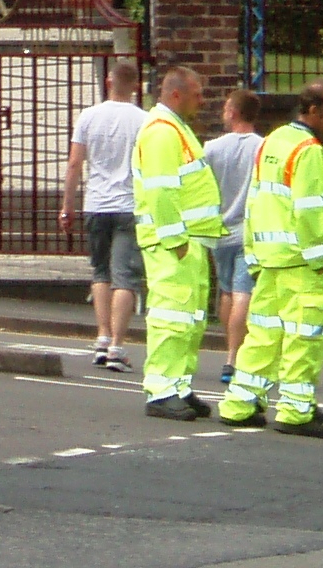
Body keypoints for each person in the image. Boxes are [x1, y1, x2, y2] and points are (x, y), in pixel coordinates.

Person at [221, 77, 323, 437]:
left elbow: (256, 200)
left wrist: (252, 254)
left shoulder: (273, 142)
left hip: (269, 262)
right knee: (303, 340)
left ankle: (240, 404)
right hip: (301, 264)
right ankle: (296, 411)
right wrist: (322, 263)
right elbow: (309, 211)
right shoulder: (309, 150)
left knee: (263, 337)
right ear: (312, 111)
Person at [129, 63, 224, 419]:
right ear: (175, 94)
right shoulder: (162, 132)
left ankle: (179, 386)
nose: (203, 100)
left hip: (187, 240)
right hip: (174, 243)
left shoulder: (175, 129)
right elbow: (161, 190)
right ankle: (161, 390)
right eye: (197, 93)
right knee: (171, 316)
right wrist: (175, 238)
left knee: (189, 318)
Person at [62, 57, 146, 371]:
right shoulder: (144, 120)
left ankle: (101, 336)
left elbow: (74, 165)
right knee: (125, 278)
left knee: (100, 273)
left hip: (96, 204)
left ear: (109, 81)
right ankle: (117, 346)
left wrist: (67, 206)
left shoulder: (88, 117)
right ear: (136, 86)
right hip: (129, 204)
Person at [203, 87, 263, 387]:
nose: (223, 113)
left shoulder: (212, 148)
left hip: (219, 232)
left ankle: (229, 350)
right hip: (249, 232)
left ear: (234, 112)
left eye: (226, 108)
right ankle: (233, 358)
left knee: (226, 292)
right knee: (244, 295)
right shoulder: (263, 148)